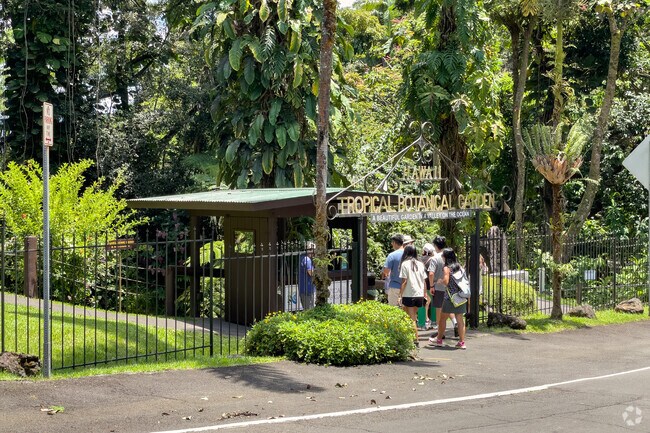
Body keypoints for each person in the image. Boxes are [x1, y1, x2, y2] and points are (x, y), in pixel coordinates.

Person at [431, 248, 467, 349]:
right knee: (460, 319)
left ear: (446, 257)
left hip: (450, 297)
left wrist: (440, 281)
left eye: (443, 256)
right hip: (460, 296)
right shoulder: (459, 267)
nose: (442, 257)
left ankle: (439, 339)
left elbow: (446, 281)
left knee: (443, 319)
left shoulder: (446, 268)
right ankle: (462, 342)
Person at [427, 236, 458, 342]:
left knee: (439, 312)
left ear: (435, 246)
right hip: (450, 288)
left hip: (439, 287)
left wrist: (431, 286)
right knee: (448, 308)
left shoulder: (435, 258)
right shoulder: (451, 255)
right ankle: (455, 322)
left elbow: (431, 273)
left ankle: (440, 334)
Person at [398, 245, 427, 346]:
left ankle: (415, 340)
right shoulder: (420, 264)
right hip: (419, 294)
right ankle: (409, 338)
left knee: (411, 318)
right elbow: (424, 281)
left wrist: (400, 295)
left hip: (409, 294)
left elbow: (404, 281)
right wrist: (425, 294)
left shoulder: (405, 264)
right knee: (411, 316)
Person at [382, 234, 405, 306]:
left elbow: (386, 272)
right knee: (406, 311)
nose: (392, 244)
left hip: (395, 286)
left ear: (395, 242)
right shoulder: (408, 254)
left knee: (393, 310)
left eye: (392, 242)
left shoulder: (392, 255)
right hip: (407, 287)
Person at [420, 243, 436, 330]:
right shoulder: (433, 260)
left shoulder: (419, 259)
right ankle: (433, 322)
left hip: (421, 284)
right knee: (432, 303)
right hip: (431, 284)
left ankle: (422, 323)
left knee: (422, 303)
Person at [298, 241, 315, 310]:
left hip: (305, 289)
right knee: (309, 311)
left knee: (308, 309)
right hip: (307, 290)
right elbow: (311, 273)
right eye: (314, 250)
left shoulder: (302, 257)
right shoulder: (307, 260)